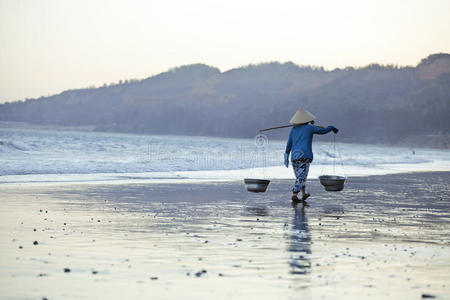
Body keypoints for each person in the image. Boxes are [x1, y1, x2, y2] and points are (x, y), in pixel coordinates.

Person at [284, 109, 338, 202]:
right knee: (302, 177)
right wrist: (331, 127)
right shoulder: (309, 127)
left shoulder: (293, 130)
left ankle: (304, 194)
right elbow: (322, 131)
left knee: (300, 176)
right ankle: (294, 195)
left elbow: (289, 145)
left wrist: (286, 156)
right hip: (304, 156)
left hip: (294, 157)